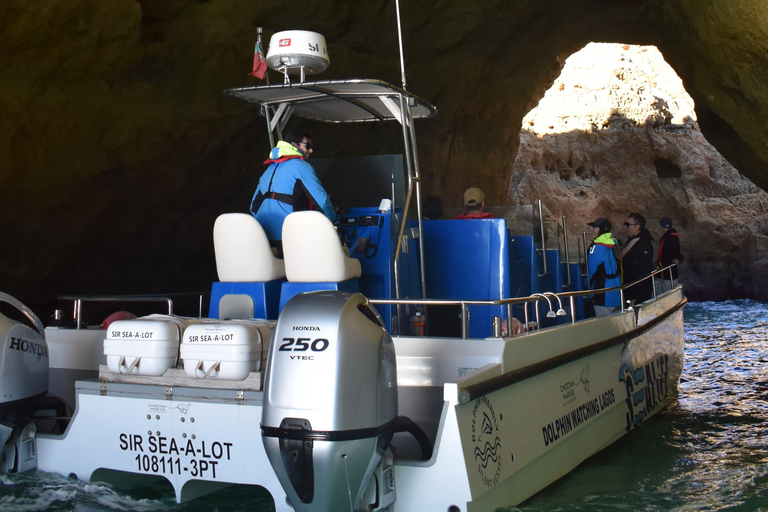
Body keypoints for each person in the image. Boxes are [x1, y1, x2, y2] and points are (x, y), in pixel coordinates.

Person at [250, 130, 337, 255]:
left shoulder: (268, 170)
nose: (311, 150)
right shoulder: (301, 167)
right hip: (290, 237)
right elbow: (322, 202)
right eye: (307, 146)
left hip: (263, 239)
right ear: (294, 145)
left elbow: (253, 207)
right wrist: (334, 223)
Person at [587, 218, 622, 316]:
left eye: (595, 228)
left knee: (604, 325)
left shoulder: (596, 247)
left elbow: (592, 272)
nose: (592, 230)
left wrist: (587, 289)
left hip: (602, 294)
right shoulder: (609, 245)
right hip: (615, 292)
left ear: (601, 229)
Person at [617, 212, 654, 304]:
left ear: (637, 227)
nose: (626, 227)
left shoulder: (643, 243)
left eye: (628, 225)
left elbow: (645, 268)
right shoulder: (630, 241)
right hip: (628, 286)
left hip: (638, 290)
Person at [656, 216, 684, 293]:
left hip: (667, 271)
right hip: (664, 270)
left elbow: (675, 250)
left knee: (667, 292)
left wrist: (676, 258)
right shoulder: (671, 236)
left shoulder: (670, 237)